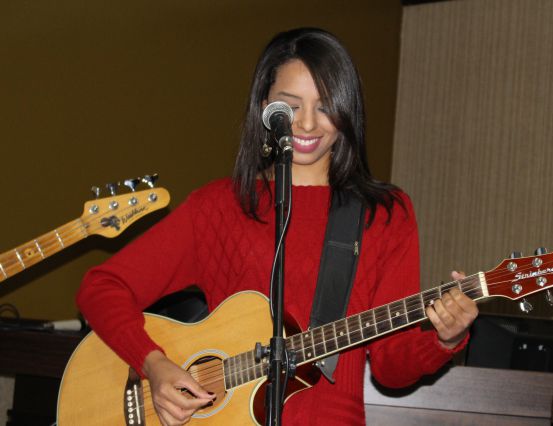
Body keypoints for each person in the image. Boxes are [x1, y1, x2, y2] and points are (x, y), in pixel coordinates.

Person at [77, 27, 478, 426]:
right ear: (265, 107)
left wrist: (446, 338)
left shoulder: (385, 214)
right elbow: (101, 287)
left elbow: (391, 370)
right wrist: (153, 364)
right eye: (291, 106)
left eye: (325, 106)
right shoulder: (218, 206)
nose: (307, 124)